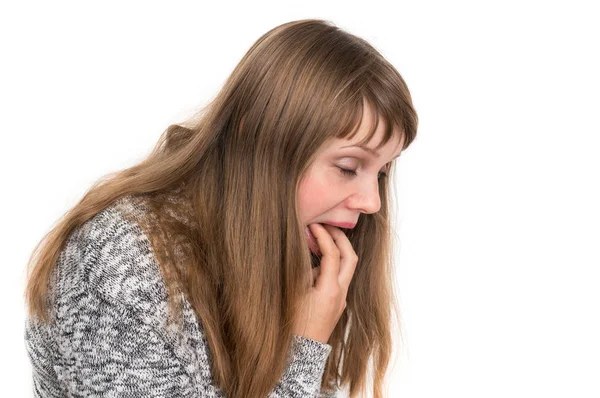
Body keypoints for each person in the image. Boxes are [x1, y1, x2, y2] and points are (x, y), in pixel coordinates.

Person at [24, 19, 418, 398]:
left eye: (381, 173)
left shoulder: (292, 260)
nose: (372, 202)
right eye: (348, 167)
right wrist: (303, 352)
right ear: (255, 138)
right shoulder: (123, 264)